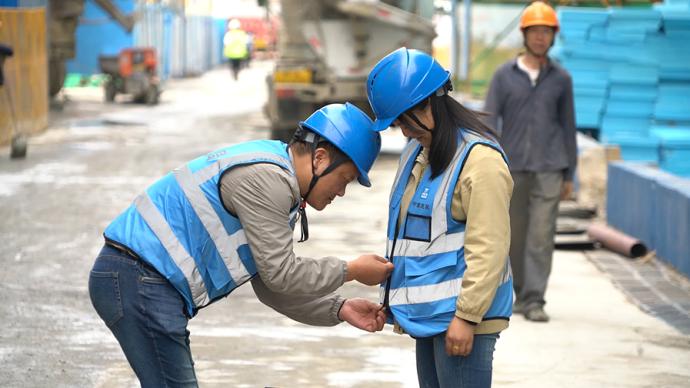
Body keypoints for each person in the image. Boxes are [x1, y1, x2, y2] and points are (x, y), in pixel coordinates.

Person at [88, 102, 393, 387]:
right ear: (320, 158)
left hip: (139, 279)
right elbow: (281, 274)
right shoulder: (269, 180)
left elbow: (272, 286)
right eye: (344, 178)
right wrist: (350, 270)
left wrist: (340, 309)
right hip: (138, 279)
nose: (340, 192)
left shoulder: (277, 175)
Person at [367, 47, 514, 388]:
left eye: (404, 120)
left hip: (464, 319)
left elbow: (489, 248)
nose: (403, 131)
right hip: (429, 316)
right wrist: (392, 296)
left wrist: (466, 317)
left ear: (428, 104)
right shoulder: (419, 151)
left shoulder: (481, 162)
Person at [484, 1, 577, 323]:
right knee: (515, 235)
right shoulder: (503, 76)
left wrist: (570, 174)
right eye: (535, 31)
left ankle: (535, 299)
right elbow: (490, 121)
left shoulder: (561, 79)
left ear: (553, 37)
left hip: (551, 167)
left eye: (546, 32)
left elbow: (568, 126)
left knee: (541, 235)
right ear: (525, 35)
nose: (540, 37)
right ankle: (521, 293)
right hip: (512, 167)